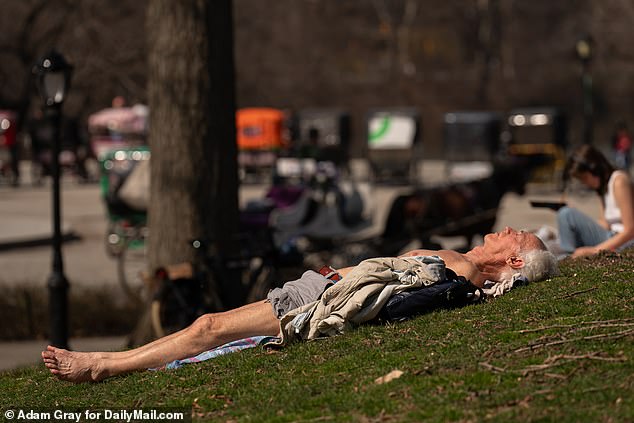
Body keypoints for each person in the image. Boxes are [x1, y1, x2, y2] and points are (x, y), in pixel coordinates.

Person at [42, 227, 557, 383]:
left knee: (210, 326)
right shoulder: (461, 259)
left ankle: (101, 365)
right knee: (211, 329)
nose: (510, 229)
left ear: (512, 262)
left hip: (318, 296)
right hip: (322, 282)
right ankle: (108, 362)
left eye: (520, 237)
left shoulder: (461, 270)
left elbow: (390, 296)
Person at [557, 144, 634, 258]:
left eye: (584, 178)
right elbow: (605, 223)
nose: (584, 183)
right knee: (568, 215)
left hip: (623, 241)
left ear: (594, 168)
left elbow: (630, 230)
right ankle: (568, 254)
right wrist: (577, 220)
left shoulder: (619, 181)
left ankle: (567, 257)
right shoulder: (604, 186)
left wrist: (595, 250)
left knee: (565, 214)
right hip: (611, 235)